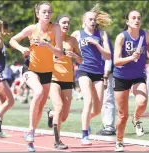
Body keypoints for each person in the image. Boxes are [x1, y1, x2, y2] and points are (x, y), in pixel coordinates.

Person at [9, 1, 63, 152]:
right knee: (38, 92)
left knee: (40, 107)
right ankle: (31, 130)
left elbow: (59, 53)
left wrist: (47, 45)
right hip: (30, 69)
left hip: (47, 71)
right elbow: (12, 40)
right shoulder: (31, 29)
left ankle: (30, 136)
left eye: (49, 12)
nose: (47, 14)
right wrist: (21, 48)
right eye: (44, 12)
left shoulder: (56, 28)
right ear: (38, 14)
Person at [113, 10, 149, 152]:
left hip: (138, 75)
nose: (136, 20)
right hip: (121, 77)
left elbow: (148, 45)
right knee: (122, 115)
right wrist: (131, 58)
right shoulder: (121, 37)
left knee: (142, 102)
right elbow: (116, 61)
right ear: (127, 22)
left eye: (139, 18)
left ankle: (136, 118)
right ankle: (119, 141)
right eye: (133, 18)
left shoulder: (146, 34)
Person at [71, 4, 112, 145]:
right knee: (87, 101)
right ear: (84, 22)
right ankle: (84, 134)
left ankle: (85, 121)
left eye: (94, 19)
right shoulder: (77, 34)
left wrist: (97, 44)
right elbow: (65, 44)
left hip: (98, 73)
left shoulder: (101, 34)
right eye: (90, 19)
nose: (93, 22)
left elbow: (108, 55)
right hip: (84, 70)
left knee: (97, 109)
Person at [46, 14, 83, 149]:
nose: (67, 25)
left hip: (68, 80)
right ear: (57, 25)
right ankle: (57, 141)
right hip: (53, 79)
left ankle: (50, 114)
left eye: (68, 22)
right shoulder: (50, 39)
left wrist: (75, 56)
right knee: (59, 107)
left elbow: (81, 60)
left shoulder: (72, 40)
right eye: (64, 22)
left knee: (63, 116)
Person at [96, 36, 116, 136]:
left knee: (107, 98)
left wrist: (105, 76)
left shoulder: (102, 37)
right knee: (98, 101)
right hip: (93, 72)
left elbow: (108, 58)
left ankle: (109, 127)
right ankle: (106, 125)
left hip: (105, 72)